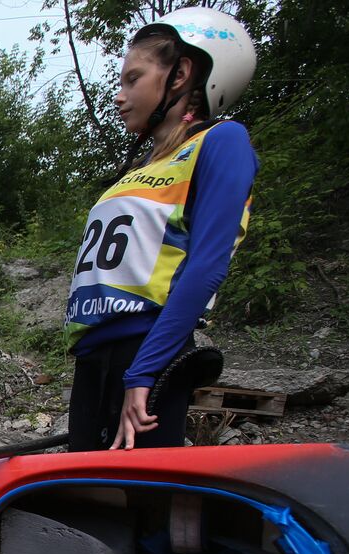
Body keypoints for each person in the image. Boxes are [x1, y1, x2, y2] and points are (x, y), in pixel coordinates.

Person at [65, 8, 257, 452]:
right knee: (79, 499)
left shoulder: (221, 141)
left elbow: (206, 266)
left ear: (181, 74)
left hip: (148, 348)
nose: (119, 95)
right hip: (94, 355)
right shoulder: (135, 170)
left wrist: (145, 371)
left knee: (140, 503)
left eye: (133, 78)